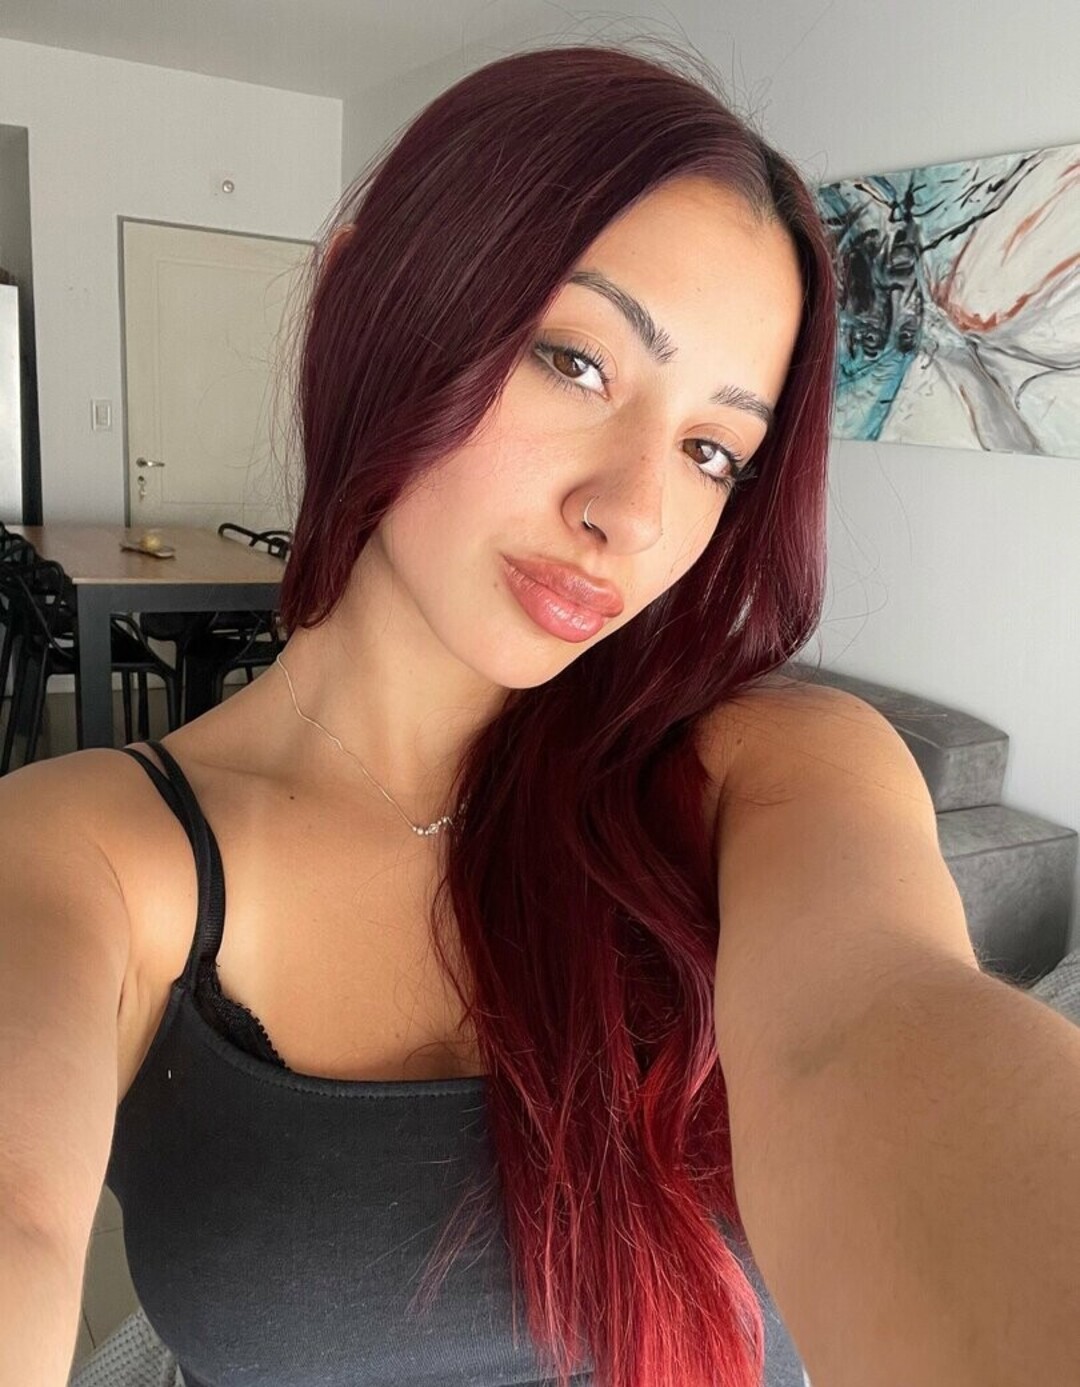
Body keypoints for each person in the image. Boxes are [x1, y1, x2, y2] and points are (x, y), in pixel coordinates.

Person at [3, 40, 1079, 1387]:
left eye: (712, 451)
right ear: (364, 303)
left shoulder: (775, 773)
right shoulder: (90, 853)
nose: (633, 513)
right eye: (573, 362)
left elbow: (865, 1040)